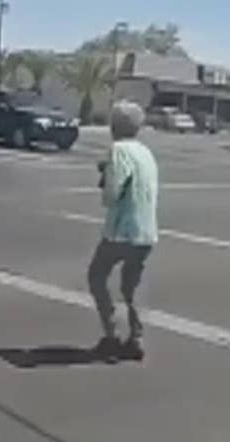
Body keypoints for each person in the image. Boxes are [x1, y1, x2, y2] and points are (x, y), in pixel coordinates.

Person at [88, 100, 159, 361]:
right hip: (146, 233)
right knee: (132, 286)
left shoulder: (118, 151)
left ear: (114, 126)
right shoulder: (145, 152)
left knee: (97, 276)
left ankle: (112, 335)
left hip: (121, 231)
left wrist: (107, 176)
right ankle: (136, 338)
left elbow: (112, 195)